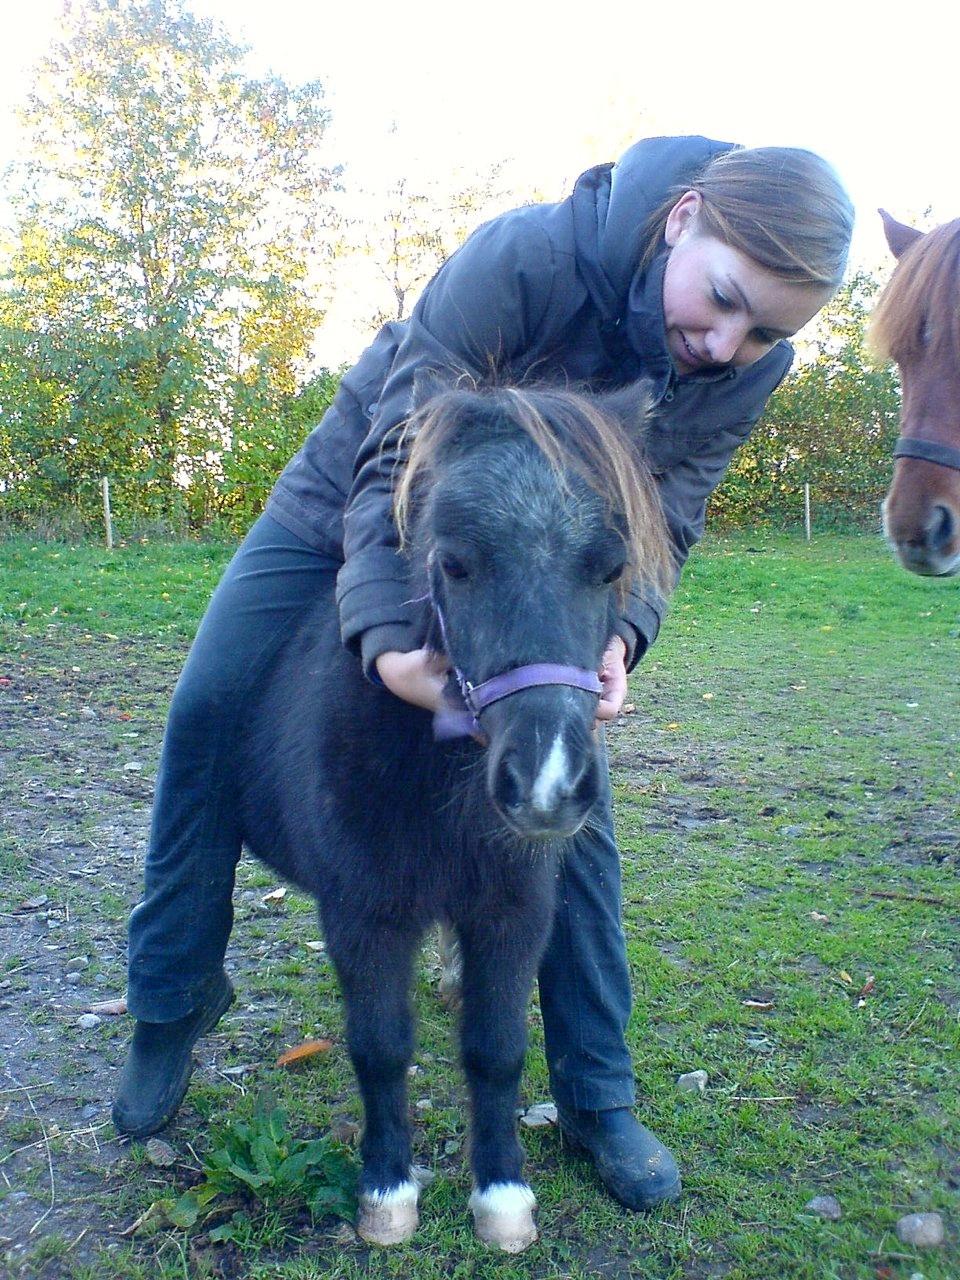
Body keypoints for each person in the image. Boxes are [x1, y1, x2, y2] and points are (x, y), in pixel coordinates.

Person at [112, 134, 853, 1211]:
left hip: (546, 559)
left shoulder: (744, 370)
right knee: (209, 706)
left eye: (766, 333)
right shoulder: (524, 259)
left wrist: (619, 636)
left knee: (565, 791)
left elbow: (669, 515)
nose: (725, 342)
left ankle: (597, 1091)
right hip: (351, 498)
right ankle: (171, 996)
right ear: (684, 217)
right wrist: (382, 637)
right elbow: (391, 453)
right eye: (726, 298)